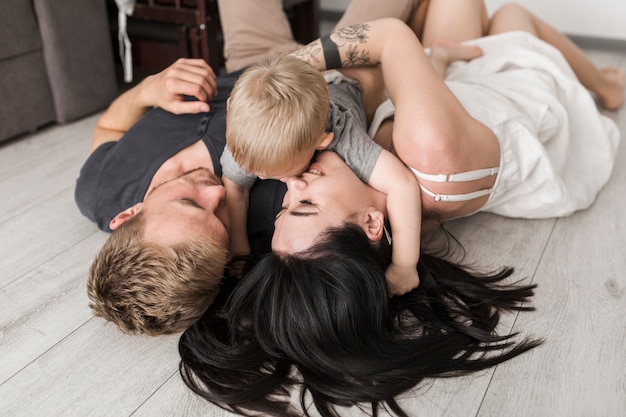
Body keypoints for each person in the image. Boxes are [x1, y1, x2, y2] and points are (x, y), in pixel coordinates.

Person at [177, 1, 622, 415]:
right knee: (505, 15)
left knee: (443, 20)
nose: (291, 185)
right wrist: (294, 65)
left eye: (285, 207)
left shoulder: (369, 180)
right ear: (371, 223)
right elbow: (389, 35)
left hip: (454, 96)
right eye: (305, 204)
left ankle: (449, 58)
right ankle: (604, 85)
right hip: (515, 87)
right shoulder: (424, 153)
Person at [74, 0, 423, 336]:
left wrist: (147, 90)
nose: (217, 191)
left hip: (252, 59)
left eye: (189, 202)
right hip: (332, 75)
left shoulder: (102, 189)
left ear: (126, 214)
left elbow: (109, 128)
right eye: (221, 219)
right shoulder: (285, 203)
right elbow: (381, 193)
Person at [221, 55, 421, 296]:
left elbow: (403, 185)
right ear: (230, 107)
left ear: (322, 142)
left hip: (348, 80)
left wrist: (404, 265)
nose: (292, 184)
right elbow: (235, 188)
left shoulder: (345, 137)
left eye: (280, 173)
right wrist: (240, 249)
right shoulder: (244, 140)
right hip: (301, 79)